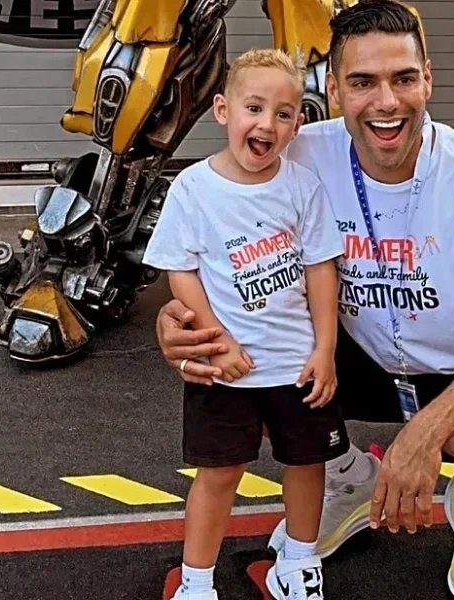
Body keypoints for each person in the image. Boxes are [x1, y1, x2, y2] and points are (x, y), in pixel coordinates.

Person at [155, 1, 454, 598]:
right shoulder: (294, 150)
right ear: (335, 90)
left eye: (403, 79)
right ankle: (346, 473)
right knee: (249, 372)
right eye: (364, 82)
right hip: (349, 358)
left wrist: (422, 438)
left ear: (428, 79)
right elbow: (219, 233)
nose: (387, 103)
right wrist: (176, 321)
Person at [142, 48, 348, 600]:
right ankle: (197, 581)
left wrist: (325, 349)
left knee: (307, 466)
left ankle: (300, 565)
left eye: (284, 113)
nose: (267, 124)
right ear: (222, 110)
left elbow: (321, 270)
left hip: (296, 365)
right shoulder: (193, 188)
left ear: (297, 123)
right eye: (254, 107)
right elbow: (180, 273)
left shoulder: (302, 187)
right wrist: (216, 340)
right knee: (219, 474)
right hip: (224, 371)